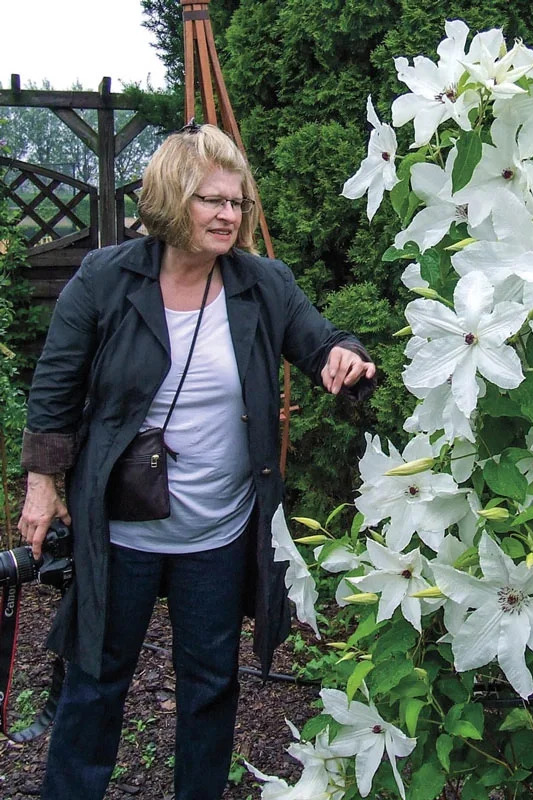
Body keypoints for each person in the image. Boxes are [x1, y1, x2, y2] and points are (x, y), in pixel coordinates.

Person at [17, 123, 376, 800]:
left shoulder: (261, 282)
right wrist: (42, 485)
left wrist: (341, 356)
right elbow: (55, 387)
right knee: (95, 680)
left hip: (217, 528)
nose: (228, 215)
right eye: (212, 199)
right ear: (171, 199)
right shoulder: (106, 278)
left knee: (211, 684)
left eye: (237, 202)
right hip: (120, 528)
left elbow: (319, 338)